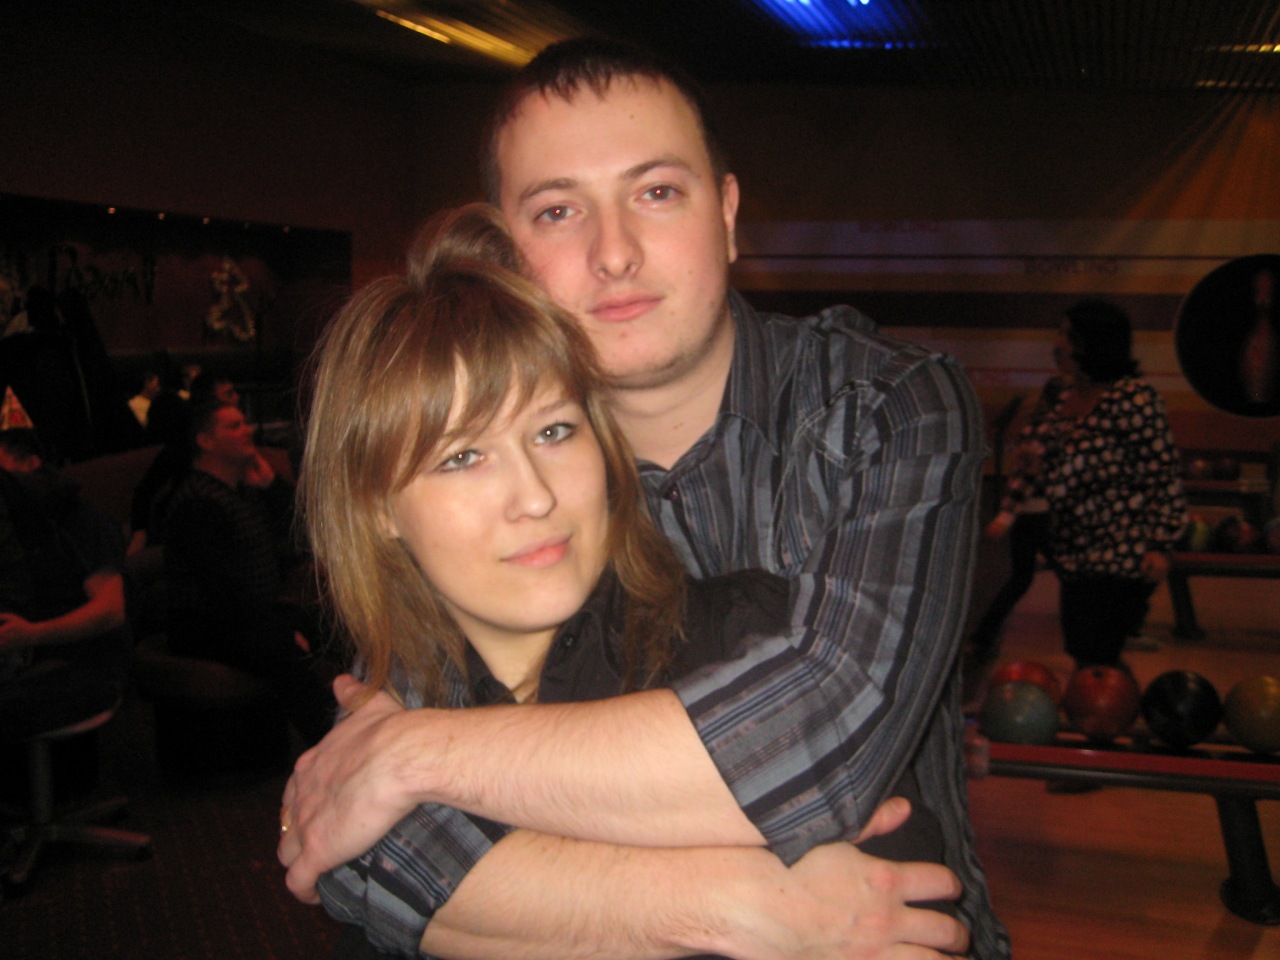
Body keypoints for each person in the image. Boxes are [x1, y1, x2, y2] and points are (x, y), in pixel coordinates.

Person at [281, 37, 1004, 958]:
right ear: (507, 255)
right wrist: (725, 906)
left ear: (728, 214)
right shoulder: (494, 486)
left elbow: (824, 743)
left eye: (657, 192)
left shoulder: (883, 406)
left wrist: (411, 756)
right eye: (557, 212)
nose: (614, 253)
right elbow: (358, 839)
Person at [1001, 299, 1186, 669]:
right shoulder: (1067, 398)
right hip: (1074, 554)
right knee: (1083, 651)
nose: (1058, 345)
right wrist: (1034, 463)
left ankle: (1111, 702)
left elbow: (1162, 473)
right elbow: (1056, 463)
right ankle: (1104, 702)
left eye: (1067, 335)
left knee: (1098, 654)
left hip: (1120, 554)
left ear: (1094, 342)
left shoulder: (1133, 399)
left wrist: (1160, 545)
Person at [161, 399, 334, 745]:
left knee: (332, 621)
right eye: (233, 426)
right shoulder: (198, 503)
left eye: (245, 423)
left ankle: (371, 722)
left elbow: (302, 532)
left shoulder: (243, 490)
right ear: (205, 441)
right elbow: (223, 593)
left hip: (247, 614)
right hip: (206, 624)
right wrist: (280, 629)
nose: (247, 431)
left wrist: (272, 485)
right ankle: (331, 746)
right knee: (281, 649)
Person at [0, 428, 131, 741]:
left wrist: (31, 634)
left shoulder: (80, 520)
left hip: (85, 664)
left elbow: (111, 611)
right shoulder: (14, 531)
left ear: (31, 464)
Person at [962, 373, 1068, 689]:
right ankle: (982, 638)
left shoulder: (1045, 426)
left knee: (1023, 579)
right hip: (1039, 516)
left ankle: (982, 638)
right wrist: (1007, 514)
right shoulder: (1050, 429)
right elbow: (1027, 477)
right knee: (1066, 574)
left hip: (1034, 516)